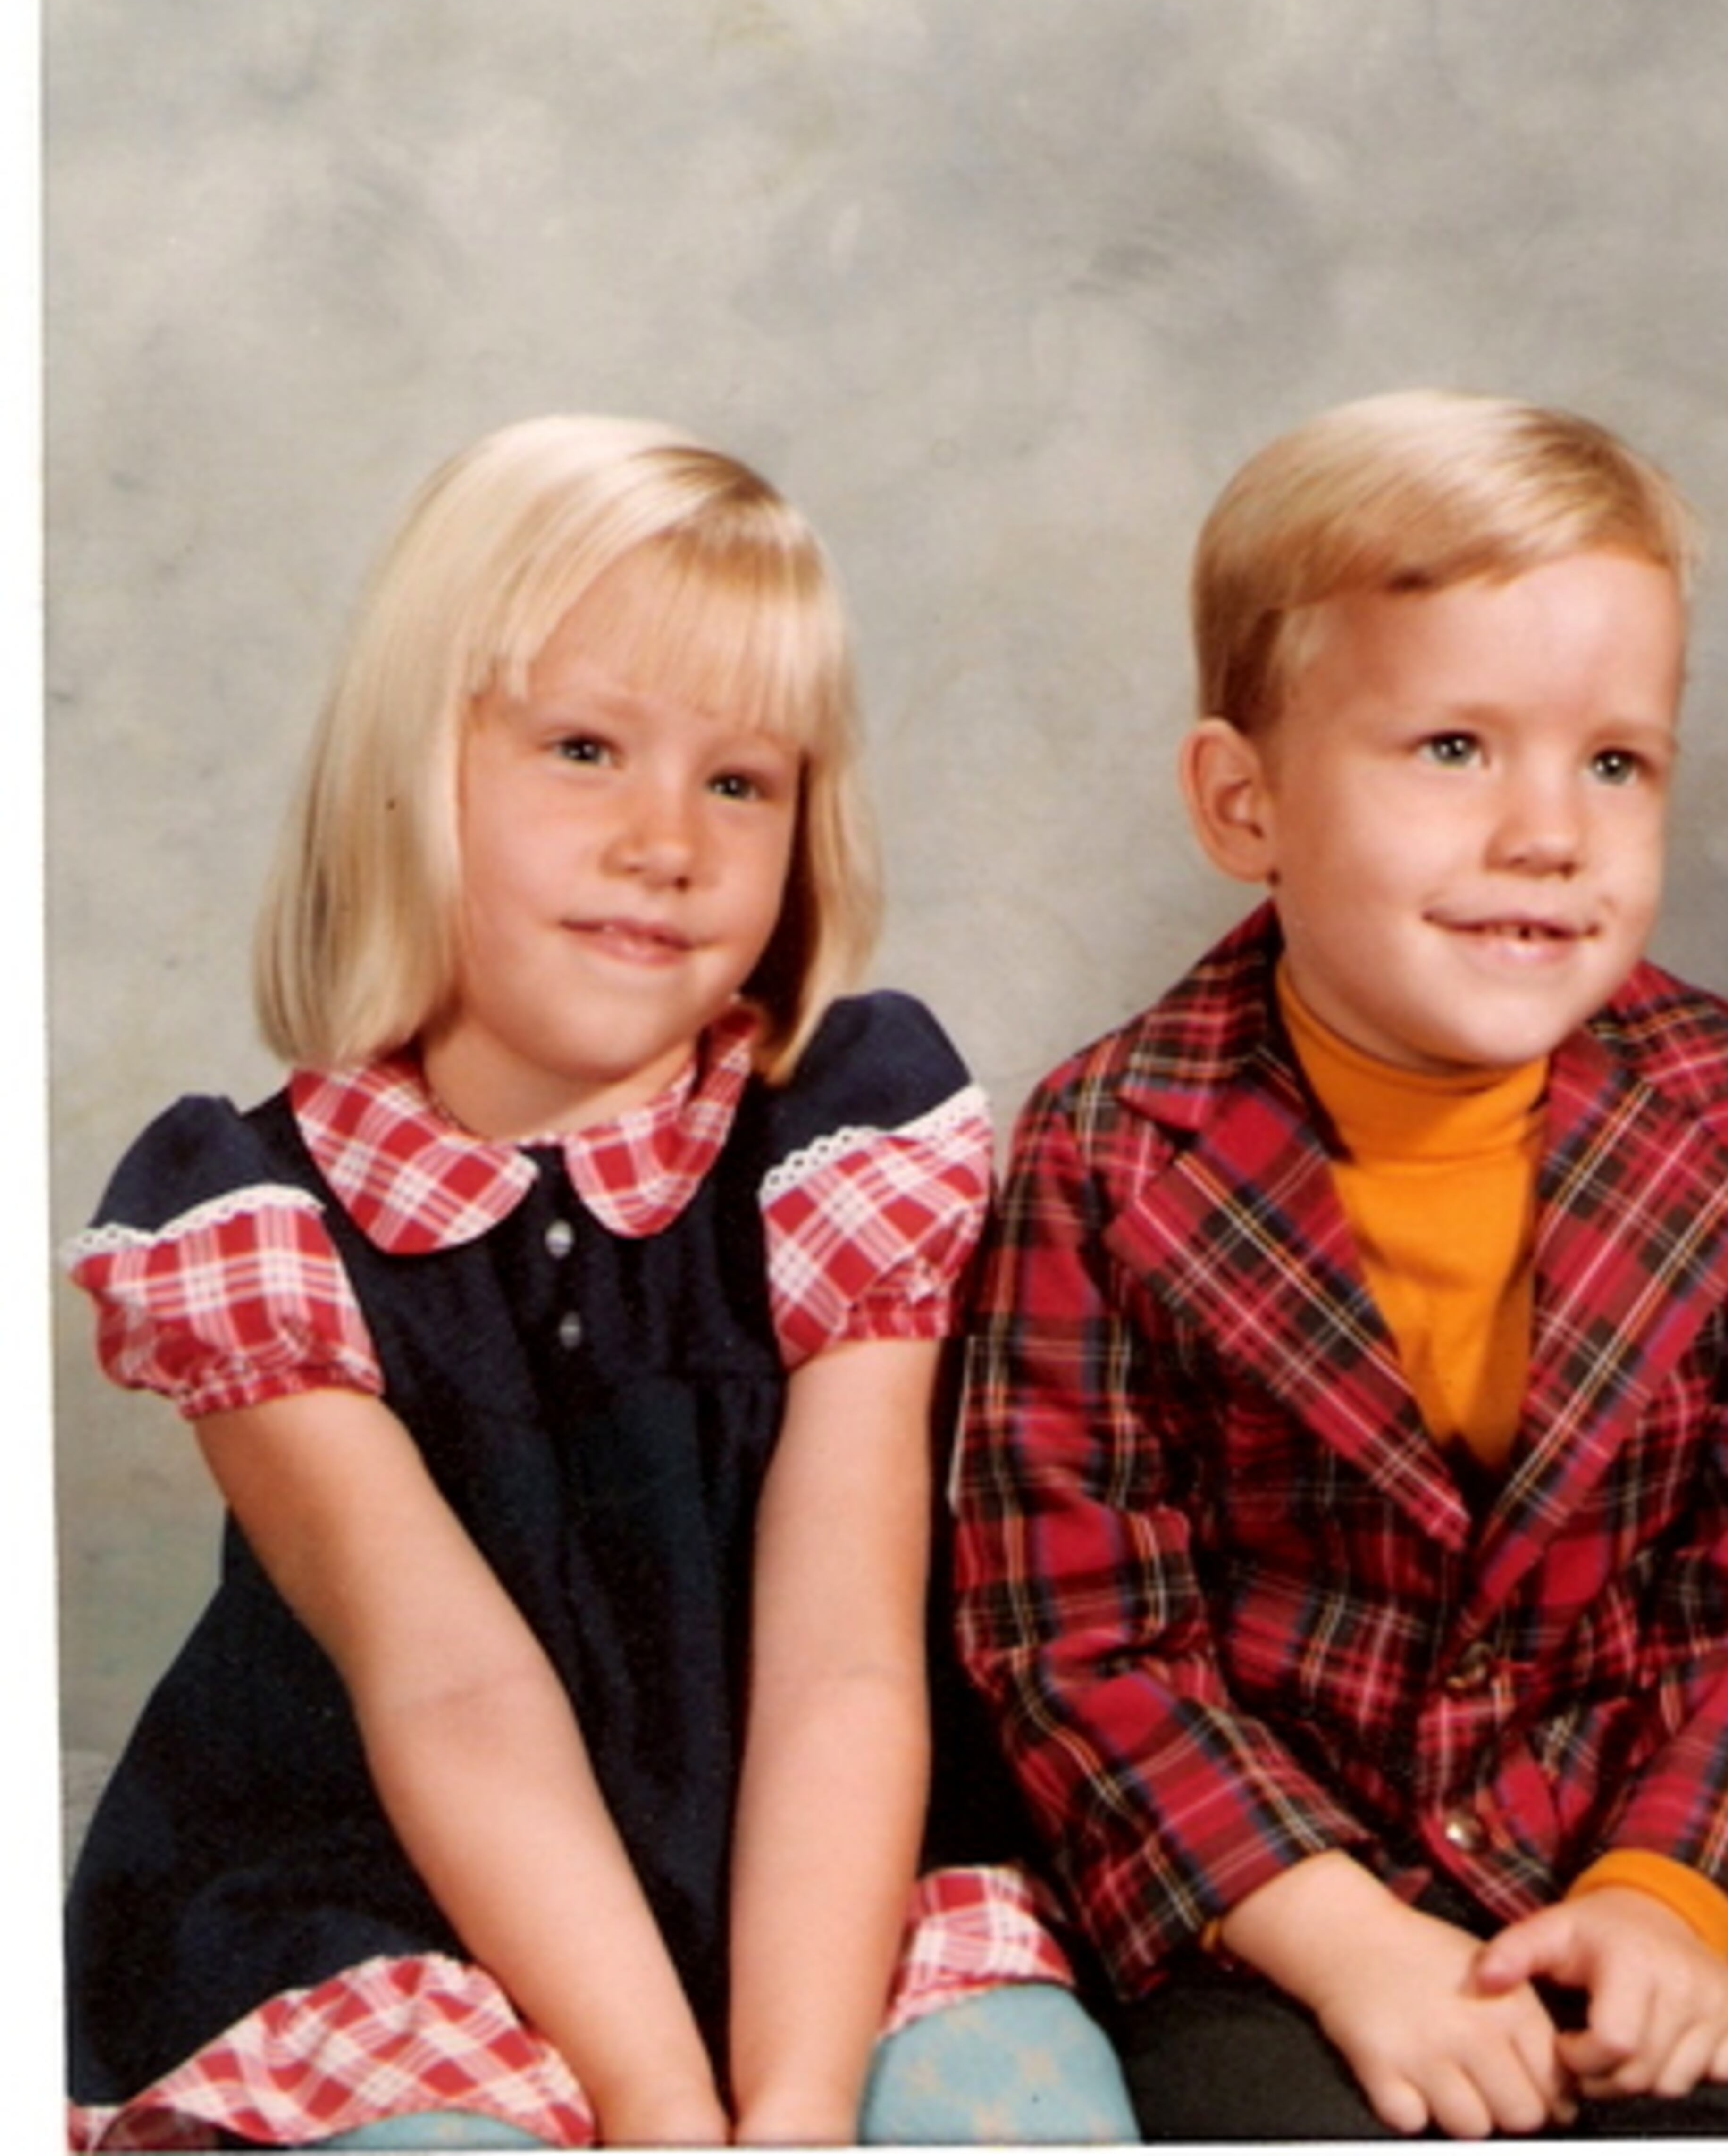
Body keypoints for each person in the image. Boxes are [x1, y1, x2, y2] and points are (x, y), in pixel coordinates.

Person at [63, 415, 1136, 2150]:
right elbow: (450, 1693)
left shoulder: (843, 1135)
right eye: (585, 749)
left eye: (741, 781)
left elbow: (848, 1668)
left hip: (827, 1870)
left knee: (1014, 2116)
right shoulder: (252, 1219)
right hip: (415, 1904)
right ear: (413, 772)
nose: (670, 839)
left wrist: (786, 2105)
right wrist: (654, 2110)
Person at [952, 389, 1728, 2139]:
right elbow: (1081, 1648)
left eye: (1614, 761)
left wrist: (1671, 1898)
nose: (1549, 833)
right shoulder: (1109, 1157)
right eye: (1452, 750)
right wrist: (1346, 1942)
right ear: (1243, 802)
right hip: (1277, 1916)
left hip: (1656, 1873)